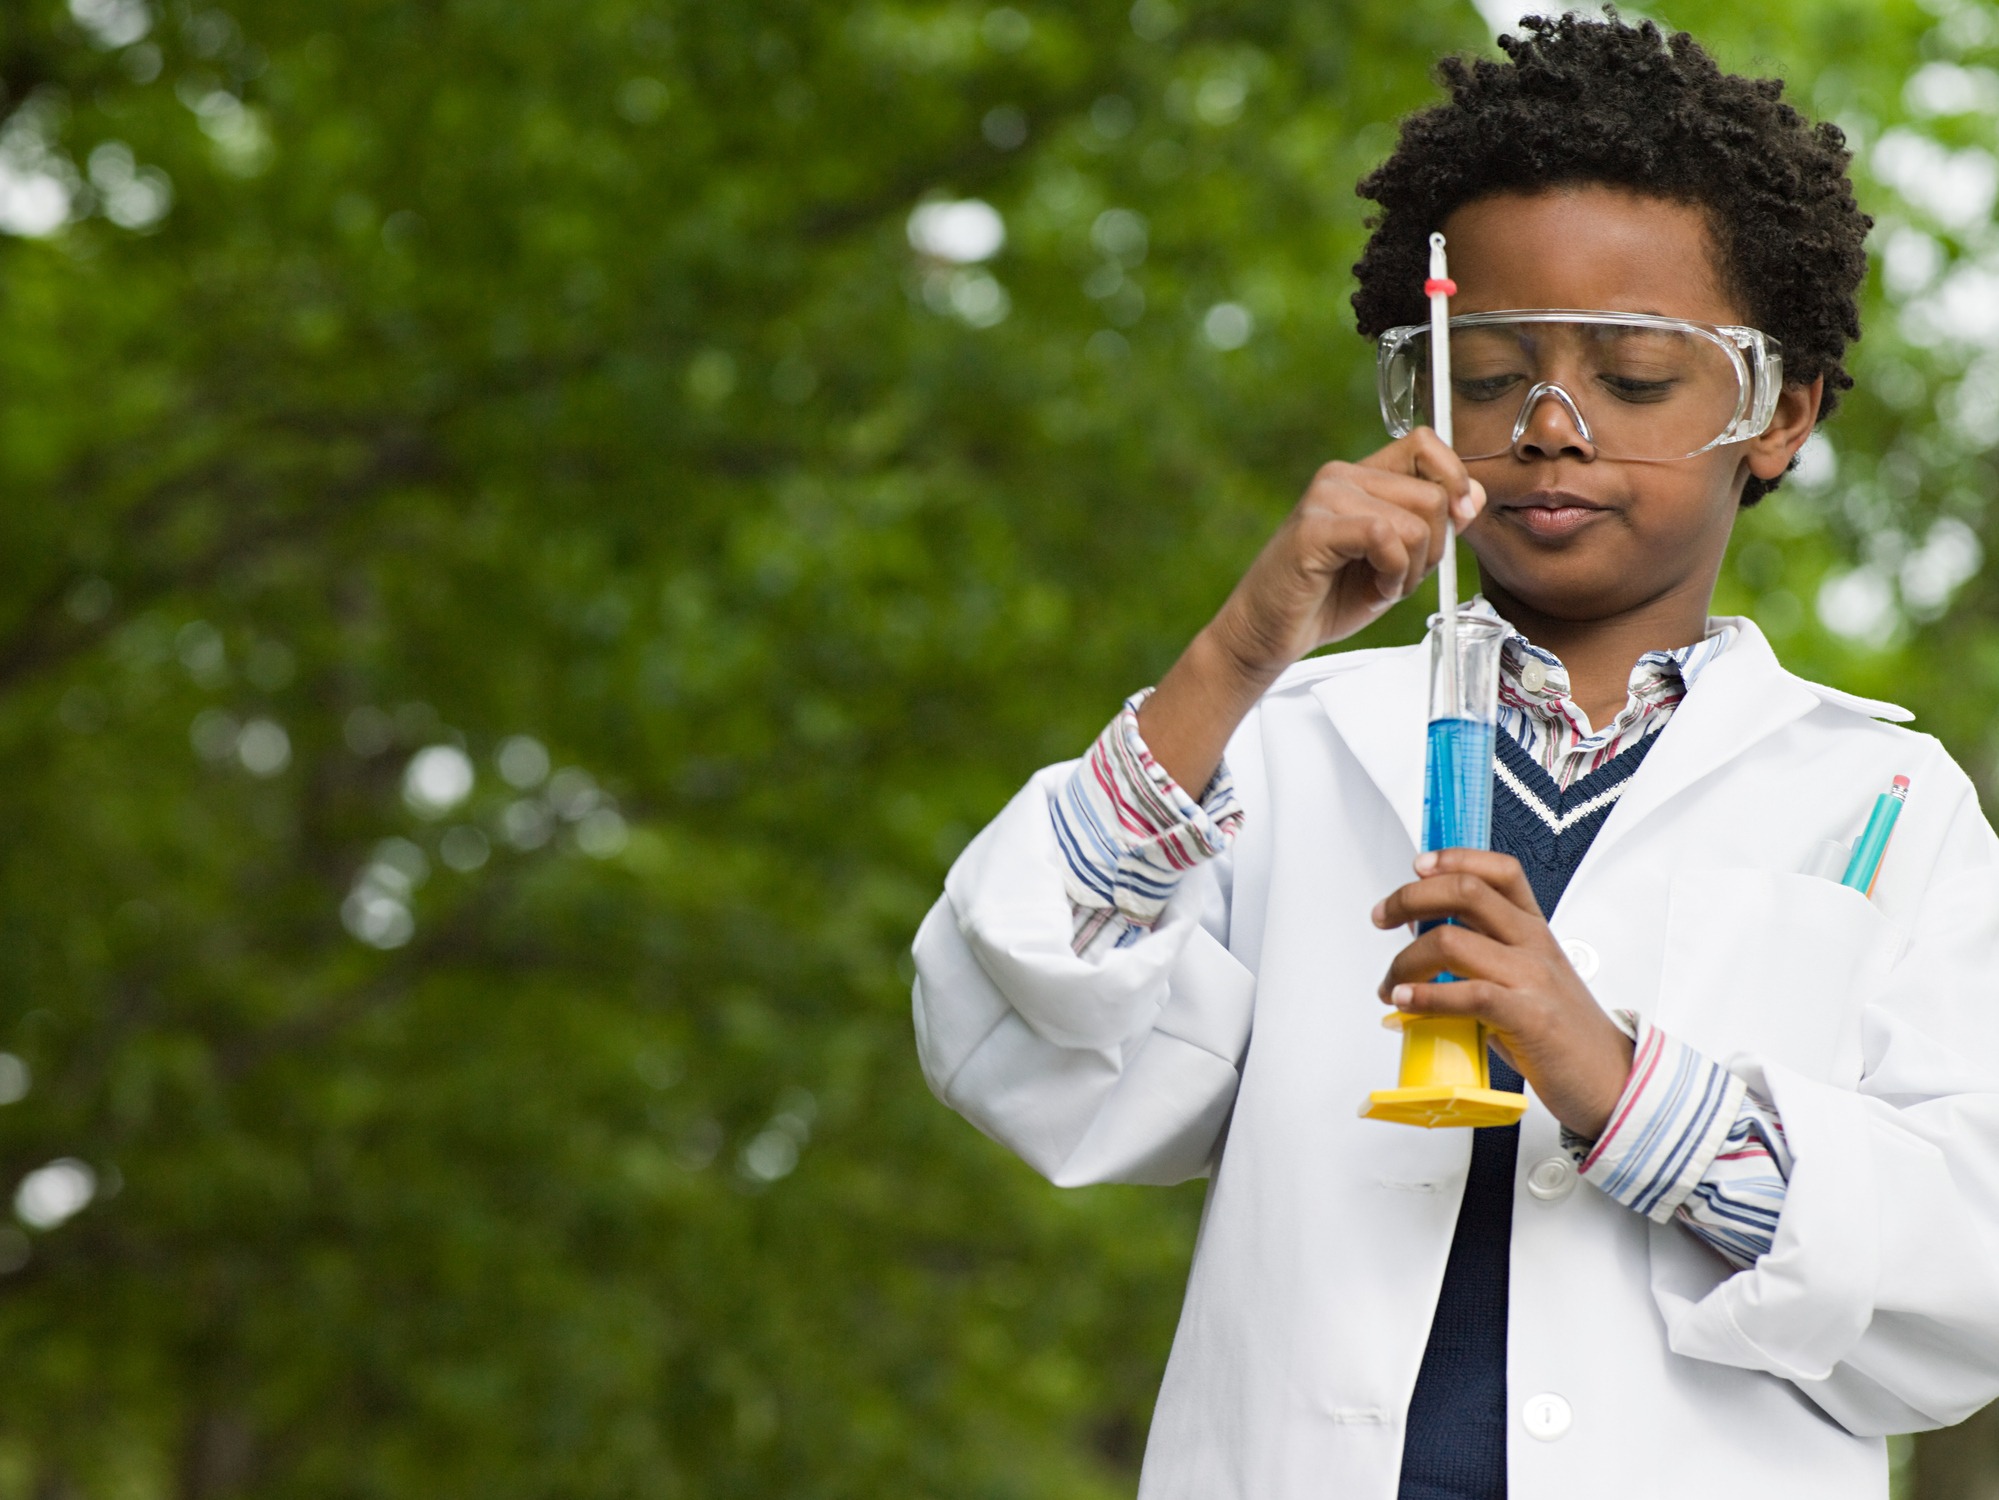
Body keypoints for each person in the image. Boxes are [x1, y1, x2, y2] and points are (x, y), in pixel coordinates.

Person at [911, 13, 1999, 1500]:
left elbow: (1968, 1275)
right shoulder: (1279, 747)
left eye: (1635, 377)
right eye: (1486, 374)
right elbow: (1015, 1047)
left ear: (1779, 411)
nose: (1549, 429)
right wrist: (1238, 650)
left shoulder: (1888, 808)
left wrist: (1621, 1088)